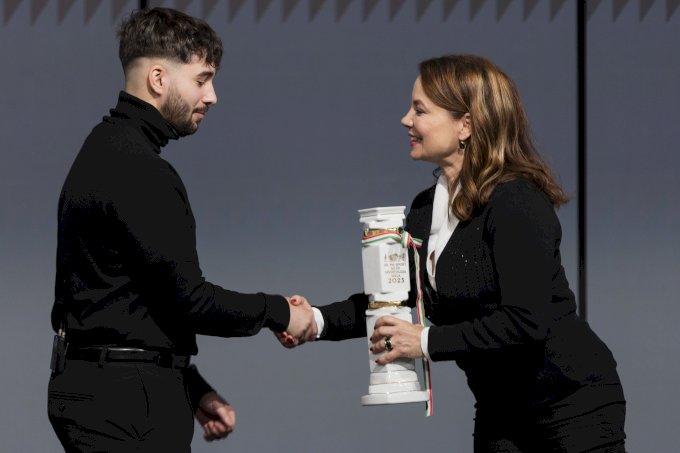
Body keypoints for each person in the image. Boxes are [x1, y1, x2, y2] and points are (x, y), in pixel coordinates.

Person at [279, 54, 627, 452]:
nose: (405, 120)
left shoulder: (516, 201)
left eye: (420, 110)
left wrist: (426, 341)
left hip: (572, 404)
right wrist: (314, 321)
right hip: (500, 410)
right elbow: (396, 300)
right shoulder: (425, 209)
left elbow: (525, 321)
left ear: (466, 125)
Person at [47, 7, 315, 452]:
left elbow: (122, 303)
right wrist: (279, 311)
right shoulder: (140, 170)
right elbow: (190, 301)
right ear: (158, 78)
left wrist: (189, 385)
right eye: (202, 79)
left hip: (106, 391)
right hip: (128, 405)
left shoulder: (101, 148)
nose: (212, 96)